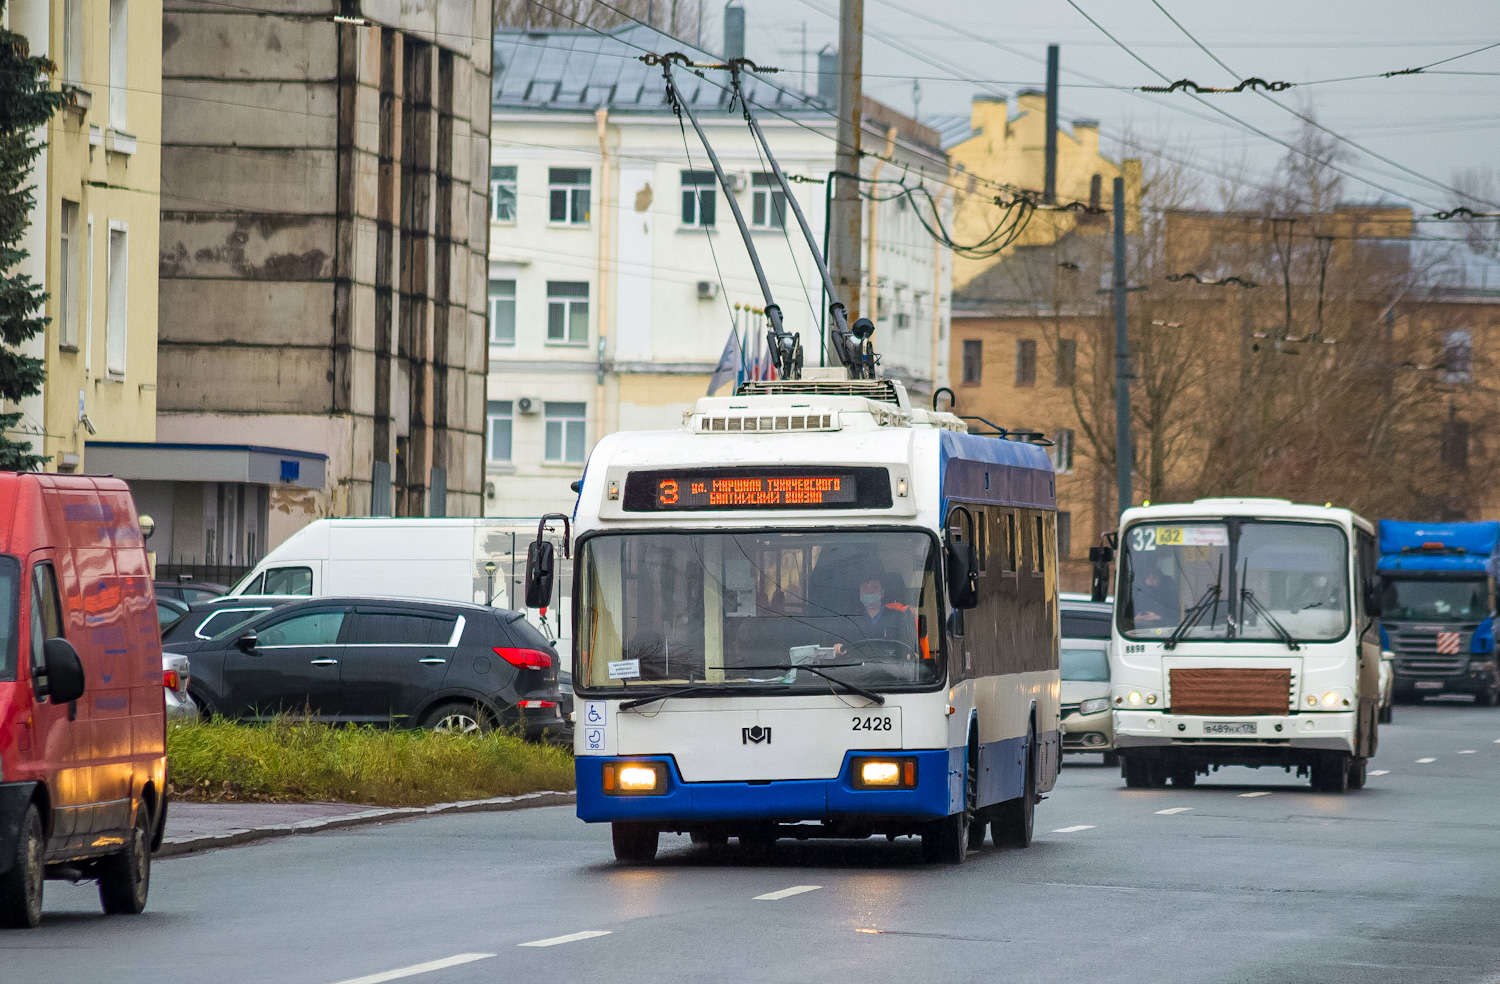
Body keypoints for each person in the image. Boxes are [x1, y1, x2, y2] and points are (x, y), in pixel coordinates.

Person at [834, 575, 919, 653]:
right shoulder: (849, 620)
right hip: (857, 667)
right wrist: (838, 648)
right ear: (860, 593)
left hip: (892, 667)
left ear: (882, 592)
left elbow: (908, 650)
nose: (869, 591)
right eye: (864, 588)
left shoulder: (900, 618)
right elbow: (841, 647)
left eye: (874, 587)